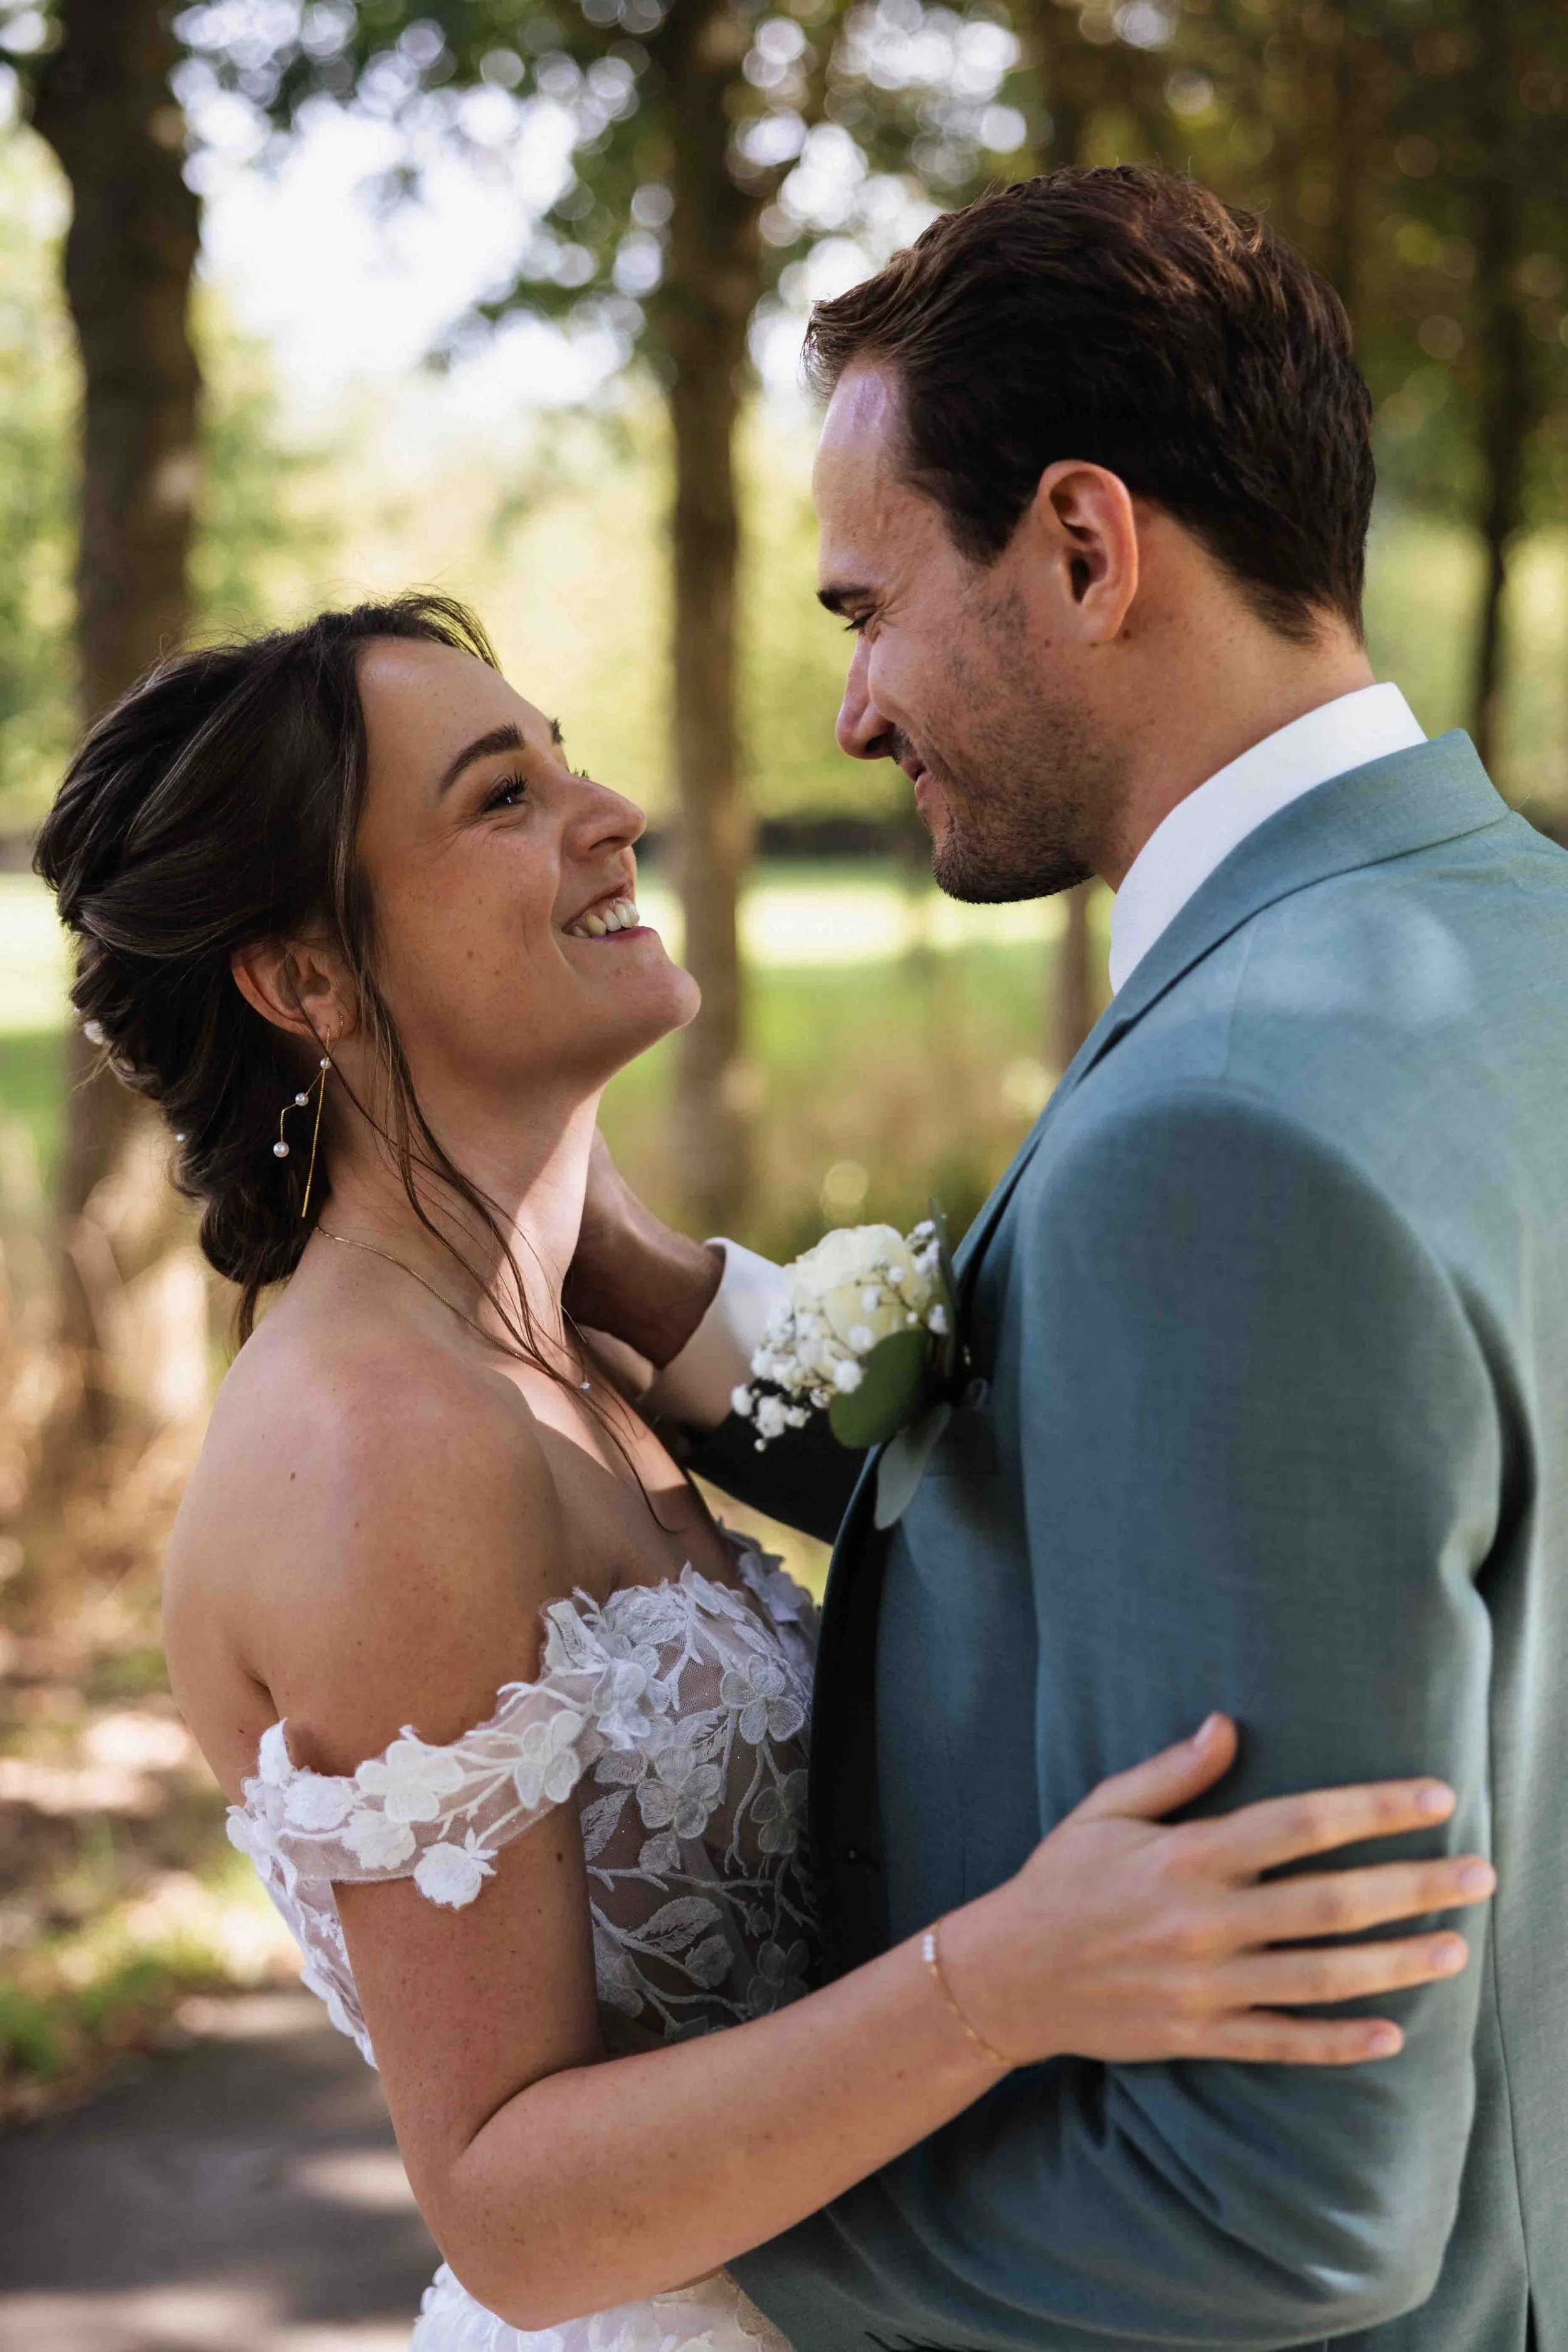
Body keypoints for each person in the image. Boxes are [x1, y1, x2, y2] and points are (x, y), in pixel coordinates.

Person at [35, 587, 1490, 2352]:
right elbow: (506, 2203)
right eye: (500, 797)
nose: (610, 813)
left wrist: (619, 1259)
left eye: (564, 761)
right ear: (307, 978)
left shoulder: (557, 1341)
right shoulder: (375, 1446)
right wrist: (1005, 1979)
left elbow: (931, 1502)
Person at [563, 169, 1566, 2351]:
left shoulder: (1227, 1123)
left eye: (866, 610)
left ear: (1086, 547)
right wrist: (658, 1296)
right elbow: (1202, 1492)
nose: (852, 712)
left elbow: (1276, 2209)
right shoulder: (1504, 943)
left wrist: (656, 2252)